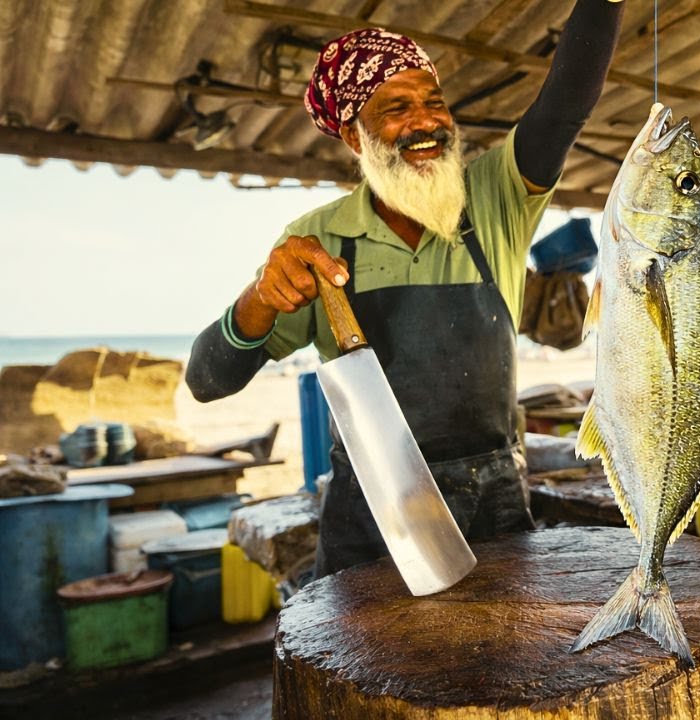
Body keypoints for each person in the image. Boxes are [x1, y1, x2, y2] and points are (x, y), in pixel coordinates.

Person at [185, 0, 624, 579]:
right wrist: (257, 302)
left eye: (432, 102)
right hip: (370, 519)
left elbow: (564, 106)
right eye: (395, 108)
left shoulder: (496, 198)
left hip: (495, 508)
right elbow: (206, 382)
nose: (424, 122)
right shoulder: (317, 238)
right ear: (352, 134)